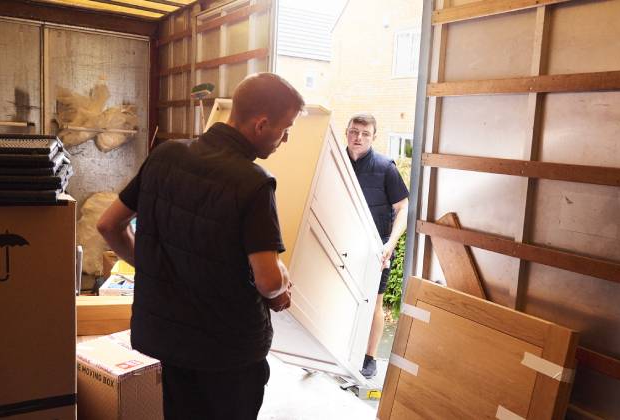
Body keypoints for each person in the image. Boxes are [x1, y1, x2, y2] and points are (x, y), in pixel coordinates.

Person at [97, 73, 304, 420]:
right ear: (261, 124)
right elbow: (268, 281)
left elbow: (108, 225)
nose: (285, 139)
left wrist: (152, 267)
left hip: (171, 339)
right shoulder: (253, 183)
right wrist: (281, 284)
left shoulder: (165, 155)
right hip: (229, 350)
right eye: (285, 129)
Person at [345, 113, 409, 379]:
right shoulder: (337, 162)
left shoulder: (386, 167)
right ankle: (340, 351)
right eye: (354, 131)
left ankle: (369, 358)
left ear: (374, 137)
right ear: (346, 132)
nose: (358, 138)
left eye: (365, 133)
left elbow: (403, 208)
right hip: (343, 243)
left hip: (377, 249)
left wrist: (390, 245)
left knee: (374, 304)